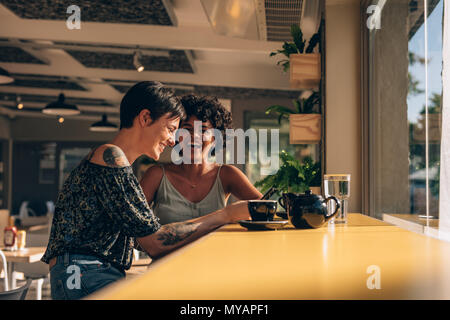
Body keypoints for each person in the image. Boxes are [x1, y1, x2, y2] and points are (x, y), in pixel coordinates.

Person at [40, 82, 250, 300]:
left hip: (87, 272)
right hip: (85, 273)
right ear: (145, 118)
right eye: (171, 129)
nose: (172, 140)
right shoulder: (111, 158)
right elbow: (154, 241)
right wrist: (227, 214)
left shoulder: (113, 161)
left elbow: (141, 232)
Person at [140, 95, 262, 225]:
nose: (194, 136)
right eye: (187, 129)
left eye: (203, 130)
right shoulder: (156, 175)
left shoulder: (227, 174)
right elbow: (131, 224)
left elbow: (265, 209)